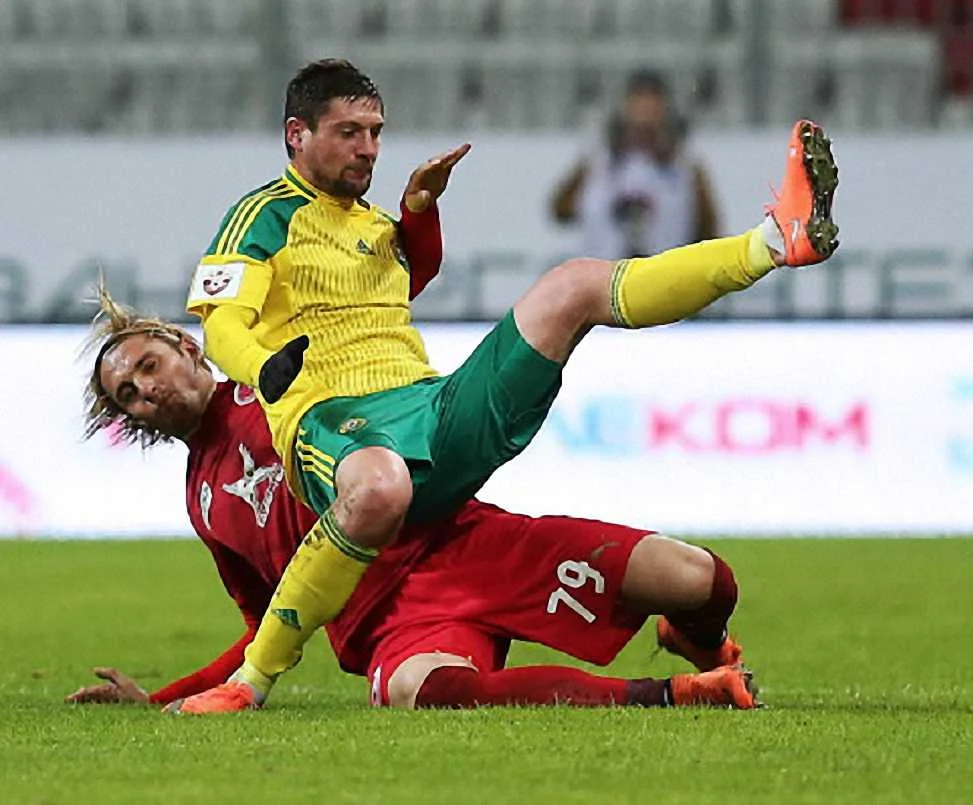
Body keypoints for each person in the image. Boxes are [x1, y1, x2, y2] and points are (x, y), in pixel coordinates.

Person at [182, 57, 838, 713]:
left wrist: (417, 211)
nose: (369, 148)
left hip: (427, 408)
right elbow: (222, 327)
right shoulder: (262, 216)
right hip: (334, 422)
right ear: (296, 133)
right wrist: (260, 368)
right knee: (381, 488)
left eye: (376, 131)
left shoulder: (371, 224)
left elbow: (402, 284)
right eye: (349, 132)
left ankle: (773, 241)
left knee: (573, 285)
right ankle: (252, 682)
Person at [70, 293, 755, 712]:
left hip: (466, 544)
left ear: (187, 347)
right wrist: (164, 696)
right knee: (421, 693)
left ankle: (698, 640)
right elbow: (266, 626)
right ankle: (680, 695)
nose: (146, 390)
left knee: (701, 577)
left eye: (148, 365)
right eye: (128, 393)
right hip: (388, 626)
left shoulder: (286, 384)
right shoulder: (204, 503)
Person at [549, 69, 720, 259]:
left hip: (663, 279)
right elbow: (560, 210)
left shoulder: (686, 166)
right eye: (639, 104)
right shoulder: (598, 159)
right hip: (603, 277)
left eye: (652, 105)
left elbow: (708, 233)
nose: (645, 114)